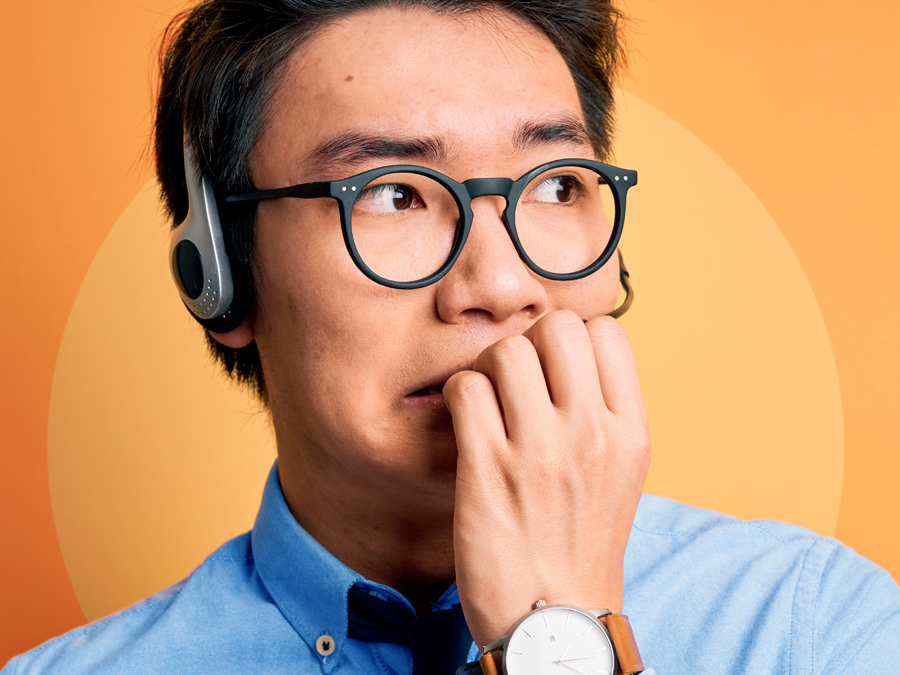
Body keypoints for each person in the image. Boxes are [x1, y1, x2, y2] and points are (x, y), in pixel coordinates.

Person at [4, 1, 899, 673]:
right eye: (392, 193)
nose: (503, 286)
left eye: (554, 185)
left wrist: (560, 628)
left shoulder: (814, 627)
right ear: (221, 274)